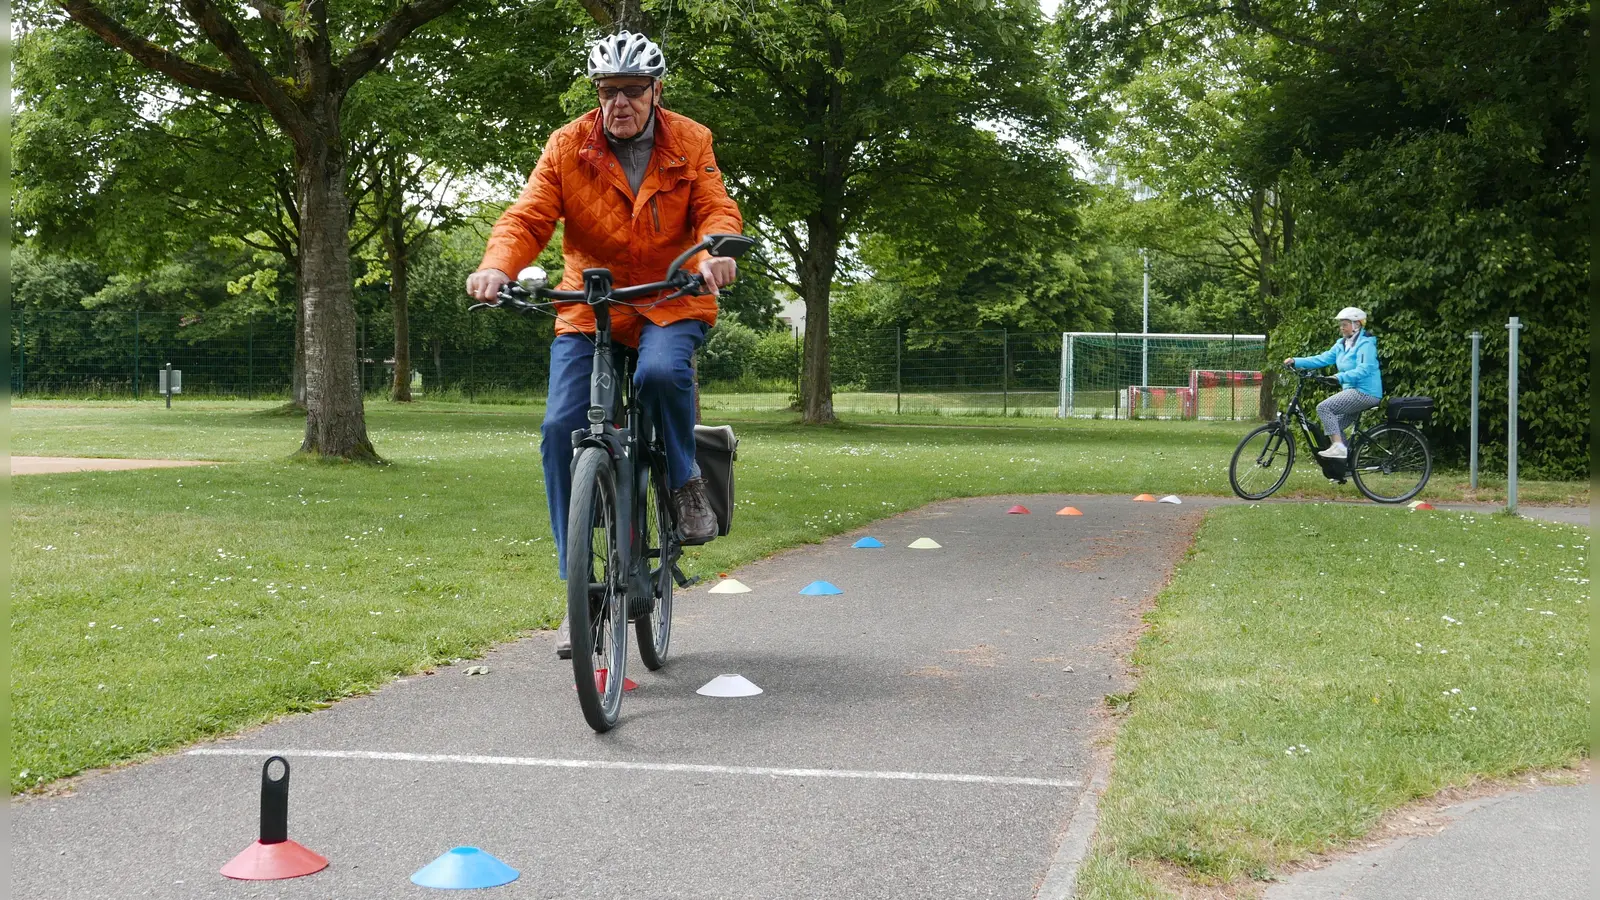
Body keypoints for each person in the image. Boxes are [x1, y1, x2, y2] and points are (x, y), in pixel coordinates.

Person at [466, 31, 743, 656]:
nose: (619, 102)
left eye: (632, 91)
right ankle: (579, 587)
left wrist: (718, 250)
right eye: (608, 90)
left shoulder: (690, 140)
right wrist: (496, 266)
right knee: (561, 424)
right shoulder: (568, 144)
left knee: (660, 378)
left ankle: (682, 480)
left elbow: (715, 207)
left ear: (655, 92)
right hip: (590, 306)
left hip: (672, 296)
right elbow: (529, 216)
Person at [1284, 307, 1383, 460]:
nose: (1341, 328)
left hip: (1366, 392)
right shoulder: (1342, 344)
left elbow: (1364, 369)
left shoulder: (1366, 344)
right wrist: (1296, 361)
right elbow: (1322, 359)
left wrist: (1339, 377)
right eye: (1341, 325)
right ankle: (1344, 463)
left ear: (1356, 324)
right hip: (1352, 392)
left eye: (1345, 324)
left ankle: (1339, 449)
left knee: (1324, 408)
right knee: (1332, 425)